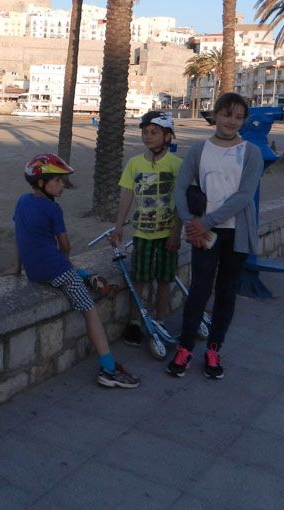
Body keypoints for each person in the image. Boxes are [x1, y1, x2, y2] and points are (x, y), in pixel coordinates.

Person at [14, 153, 140, 388]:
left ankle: (87, 277)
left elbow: (20, 237)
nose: (63, 185)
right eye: (58, 181)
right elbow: (65, 246)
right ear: (42, 182)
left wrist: (16, 269)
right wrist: (64, 263)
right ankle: (108, 368)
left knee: (69, 272)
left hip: (33, 272)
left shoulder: (22, 201)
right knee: (89, 311)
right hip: (56, 270)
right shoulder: (53, 210)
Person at [168, 93, 263, 380]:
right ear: (216, 115)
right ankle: (185, 349)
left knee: (226, 293)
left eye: (238, 116)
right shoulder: (199, 150)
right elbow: (180, 189)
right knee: (199, 290)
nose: (231, 121)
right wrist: (190, 223)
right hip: (204, 235)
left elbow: (245, 196)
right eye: (226, 114)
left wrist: (205, 222)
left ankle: (213, 349)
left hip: (236, 234)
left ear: (243, 120)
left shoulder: (251, 153)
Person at [110, 111, 182, 347]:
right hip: (142, 233)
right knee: (139, 279)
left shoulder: (177, 165)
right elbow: (127, 196)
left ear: (167, 136)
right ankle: (135, 322)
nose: (148, 136)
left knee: (163, 280)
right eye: (145, 132)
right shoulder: (134, 164)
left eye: (155, 132)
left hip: (166, 234)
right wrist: (118, 226)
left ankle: (160, 320)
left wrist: (175, 233)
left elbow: (182, 202)